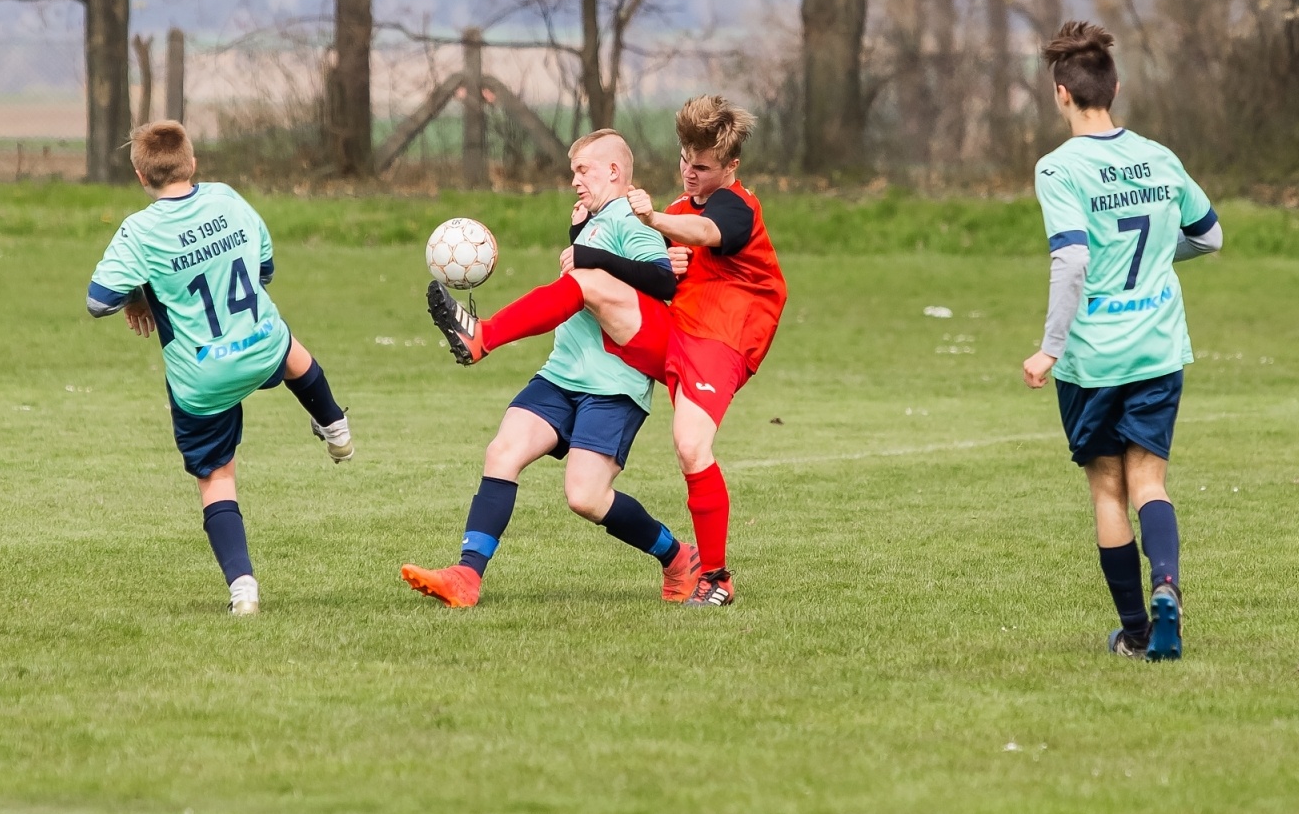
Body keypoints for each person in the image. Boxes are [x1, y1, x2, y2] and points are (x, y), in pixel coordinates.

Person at [406, 129, 699, 607]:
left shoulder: (630, 215)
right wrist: (580, 238)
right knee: (502, 451)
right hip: (562, 373)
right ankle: (466, 576)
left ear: (613, 171)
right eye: (573, 174)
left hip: (614, 378)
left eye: (582, 171)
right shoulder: (595, 221)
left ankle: (678, 557)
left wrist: (589, 254)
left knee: (585, 497)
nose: (575, 182)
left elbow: (663, 278)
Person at [86, 121, 353, 616]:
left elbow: (98, 301)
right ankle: (335, 425)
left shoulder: (140, 231)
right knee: (290, 347)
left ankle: (244, 588)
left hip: (203, 377)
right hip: (260, 344)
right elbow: (265, 267)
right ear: (193, 163)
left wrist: (140, 295)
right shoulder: (228, 199)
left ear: (140, 175)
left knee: (217, 478)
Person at [1021, 21, 1223, 661]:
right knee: (1151, 483)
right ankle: (1167, 587)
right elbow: (1210, 235)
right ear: (1116, 88)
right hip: (1159, 345)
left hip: (1095, 356)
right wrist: (1161, 261)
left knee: (1107, 489)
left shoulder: (1059, 168)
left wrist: (1050, 347)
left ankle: (1137, 633)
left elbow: (1073, 261)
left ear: (1061, 94)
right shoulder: (1160, 157)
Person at [624, 95, 788, 607]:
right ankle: (485, 336)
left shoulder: (737, 206)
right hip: (680, 329)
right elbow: (657, 258)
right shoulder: (677, 209)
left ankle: (715, 577)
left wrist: (652, 220)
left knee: (692, 447)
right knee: (592, 285)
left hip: (724, 335)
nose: (689, 174)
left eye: (702, 167)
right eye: (684, 161)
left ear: (730, 167)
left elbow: (709, 231)